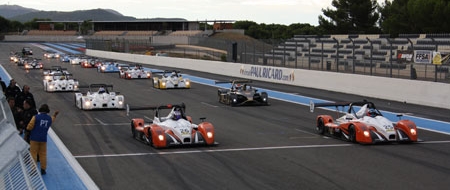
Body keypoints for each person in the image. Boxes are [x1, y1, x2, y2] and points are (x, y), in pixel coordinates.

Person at [27, 104, 59, 175]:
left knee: (33, 154)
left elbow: (29, 127)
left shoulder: (35, 117)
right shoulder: (49, 118)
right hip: (43, 139)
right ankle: (43, 169)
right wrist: (55, 115)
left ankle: (33, 169)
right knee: (43, 154)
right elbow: (52, 119)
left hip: (34, 138)